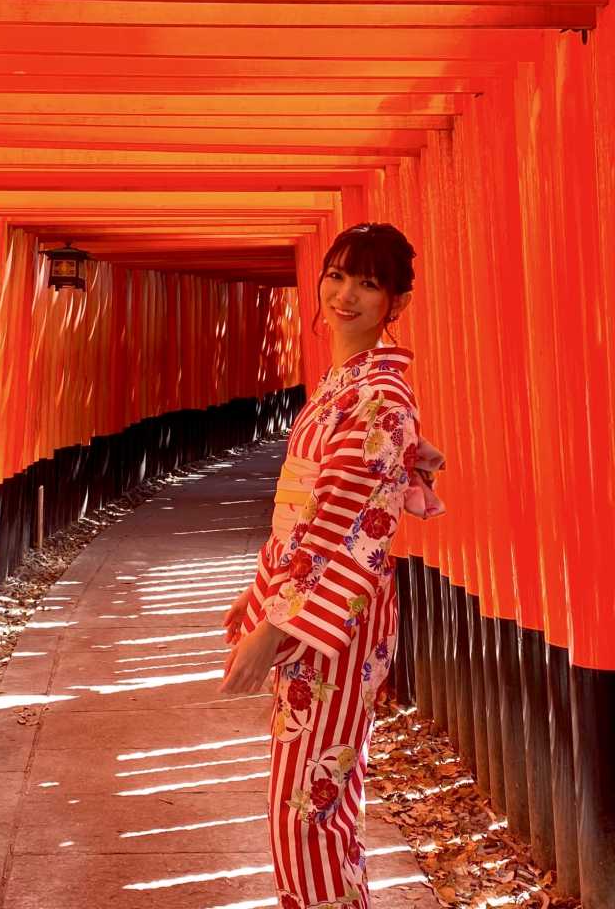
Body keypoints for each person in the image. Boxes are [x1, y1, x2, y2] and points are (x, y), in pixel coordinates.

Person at [221, 222, 436, 909]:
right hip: (315, 608)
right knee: (314, 803)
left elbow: (346, 527)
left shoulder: (377, 397)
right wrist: (258, 596)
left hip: (333, 621)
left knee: (307, 811)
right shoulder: (346, 384)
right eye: (338, 275)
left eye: (369, 284)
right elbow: (299, 518)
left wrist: (275, 625)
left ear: (395, 304)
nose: (346, 295)